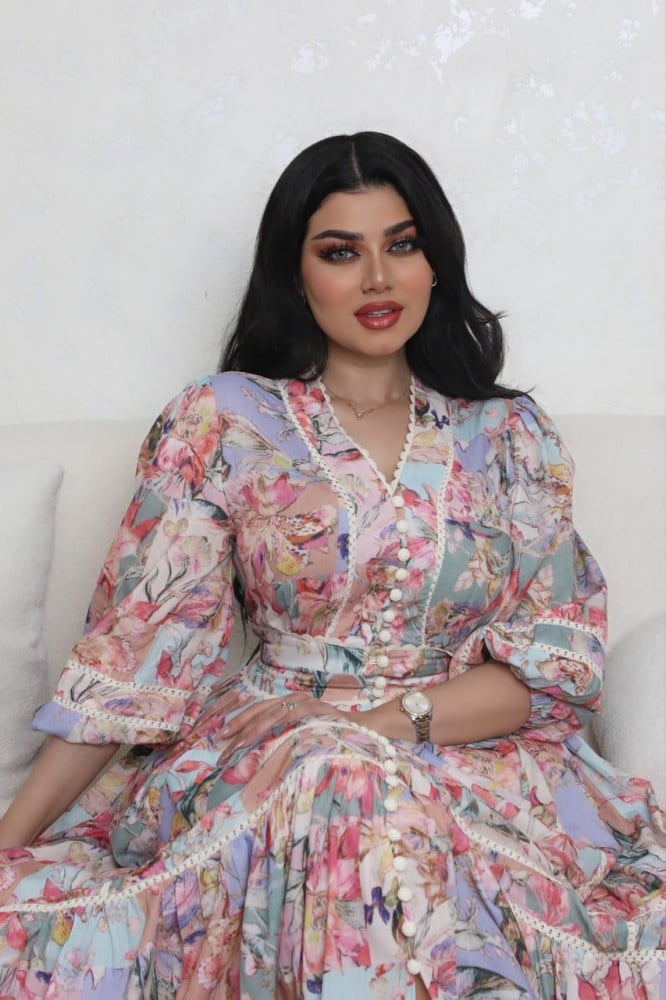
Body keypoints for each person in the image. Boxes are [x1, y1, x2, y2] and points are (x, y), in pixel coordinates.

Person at [0, 131, 663, 999]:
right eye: (341, 252)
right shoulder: (221, 421)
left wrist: (381, 726)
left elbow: (552, 674)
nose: (378, 278)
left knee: (350, 776)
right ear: (296, 271)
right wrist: (9, 840)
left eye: (402, 244)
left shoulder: (512, 439)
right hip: (276, 754)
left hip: (469, 759)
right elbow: (136, 660)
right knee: (334, 779)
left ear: (436, 262)